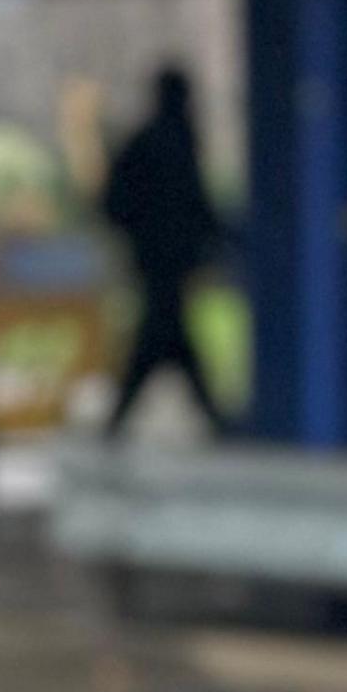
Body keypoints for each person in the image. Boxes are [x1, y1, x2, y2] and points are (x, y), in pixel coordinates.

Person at [97, 64, 231, 435]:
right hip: (162, 259)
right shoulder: (160, 142)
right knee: (163, 335)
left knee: (166, 335)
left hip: (164, 258)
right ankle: (208, 416)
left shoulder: (163, 140)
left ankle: (123, 418)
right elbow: (118, 203)